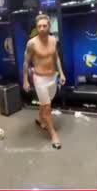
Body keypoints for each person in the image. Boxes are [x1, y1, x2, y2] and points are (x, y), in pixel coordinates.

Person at [23, 14, 66, 149]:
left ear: (49, 26)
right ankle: (53, 134)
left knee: (46, 102)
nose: (41, 28)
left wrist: (62, 73)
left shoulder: (53, 40)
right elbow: (26, 62)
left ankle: (41, 119)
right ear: (36, 27)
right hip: (39, 79)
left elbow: (57, 57)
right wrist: (25, 80)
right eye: (39, 26)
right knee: (48, 107)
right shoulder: (31, 43)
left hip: (52, 77)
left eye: (44, 26)